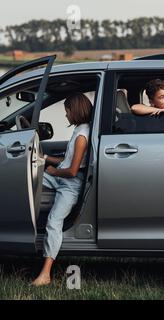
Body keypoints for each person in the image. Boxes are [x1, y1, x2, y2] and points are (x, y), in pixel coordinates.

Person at [32, 93, 92, 286]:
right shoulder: (79, 129)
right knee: (30, 178)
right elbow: (67, 161)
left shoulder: (82, 135)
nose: (65, 115)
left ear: (74, 110)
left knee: (53, 221)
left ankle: (45, 274)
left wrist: (52, 172)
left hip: (70, 183)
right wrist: (45, 159)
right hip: (61, 176)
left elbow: (73, 171)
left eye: (66, 111)